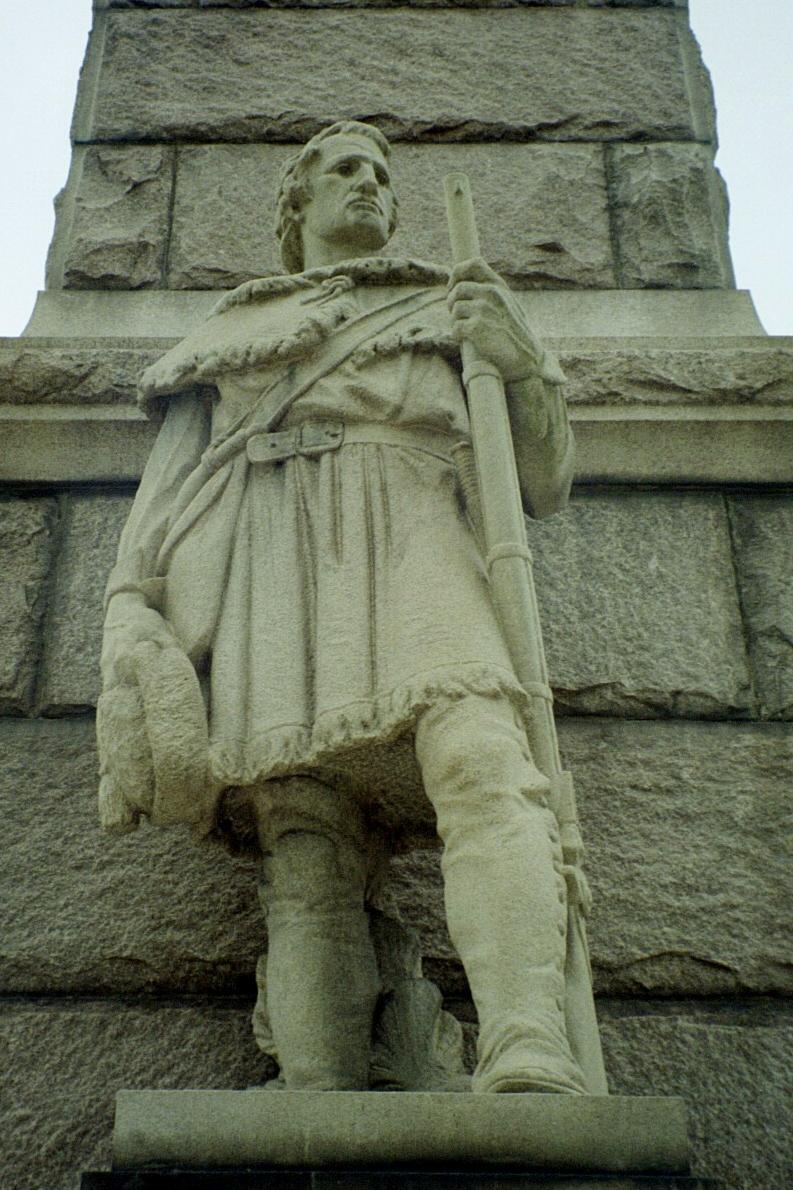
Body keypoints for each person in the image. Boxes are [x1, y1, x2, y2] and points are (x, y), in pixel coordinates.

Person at [98, 120, 605, 1095]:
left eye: (380, 172)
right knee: (304, 832)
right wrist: (130, 609)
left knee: (484, 764)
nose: (368, 182)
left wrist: (520, 362)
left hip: (421, 542)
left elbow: (541, 482)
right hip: (275, 563)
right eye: (344, 169)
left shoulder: (449, 305)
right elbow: (167, 496)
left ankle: (527, 1042)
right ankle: (318, 1086)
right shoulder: (233, 329)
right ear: (300, 202)